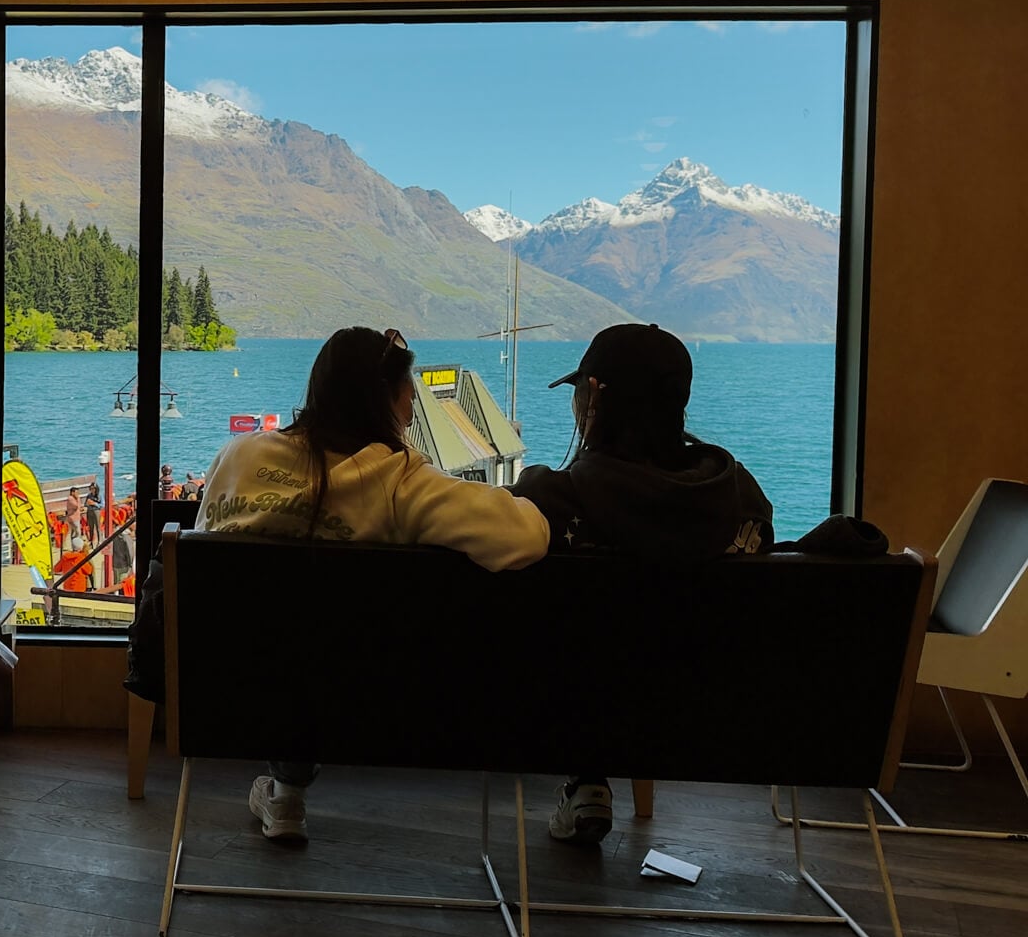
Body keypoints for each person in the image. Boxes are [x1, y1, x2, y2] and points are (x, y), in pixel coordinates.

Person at [195, 326, 550, 841]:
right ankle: (287, 786)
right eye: (410, 392)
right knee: (316, 648)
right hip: (367, 706)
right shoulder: (400, 484)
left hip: (224, 688)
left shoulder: (240, 458)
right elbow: (527, 538)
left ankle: (285, 787)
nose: (413, 401)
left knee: (288, 639)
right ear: (389, 400)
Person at [510, 322, 773, 846]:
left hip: (562, 719)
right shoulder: (743, 501)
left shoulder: (550, 501)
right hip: (718, 725)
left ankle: (586, 778)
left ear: (591, 399)